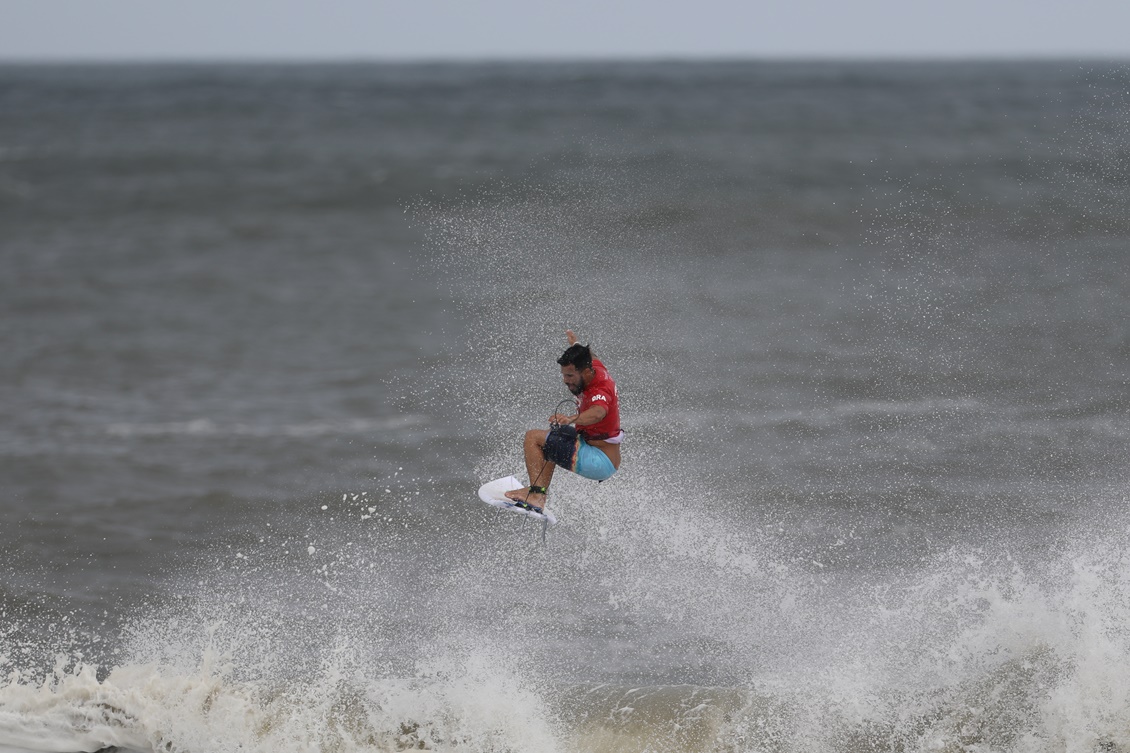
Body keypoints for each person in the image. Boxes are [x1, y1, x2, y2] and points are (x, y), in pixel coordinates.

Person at [505, 330, 623, 511]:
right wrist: (575, 344)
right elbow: (591, 355)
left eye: (570, 376)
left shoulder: (600, 390)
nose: (565, 381)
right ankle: (539, 491)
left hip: (600, 461)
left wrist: (571, 418)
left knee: (532, 438)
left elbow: (598, 412)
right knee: (552, 436)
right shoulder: (594, 367)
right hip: (595, 450)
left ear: (585, 371)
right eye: (564, 375)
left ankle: (536, 495)